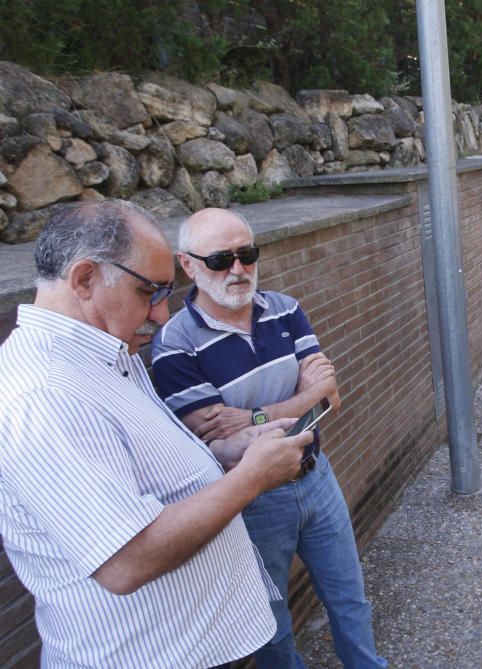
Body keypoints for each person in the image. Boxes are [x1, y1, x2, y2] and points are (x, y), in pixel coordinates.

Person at [0, 199, 313, 668]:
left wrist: (223, 455)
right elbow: (127, 560)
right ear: (85, 279)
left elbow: (144, 478)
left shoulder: (106, 354)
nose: (162, 315)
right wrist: (252, 478)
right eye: (150, 291)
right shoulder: (45, 393)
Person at [151, 209, 386, 669]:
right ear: (188, 265)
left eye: (247, 254)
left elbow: (331, 400)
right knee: (271, 623)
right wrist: (305, 395)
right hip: (254, 499)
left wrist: (255, 415)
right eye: (221, 259)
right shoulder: (174, 345)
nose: (238, 270)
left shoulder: (286, 308)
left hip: (318, 475)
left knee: (349, 598)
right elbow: (217, 441)